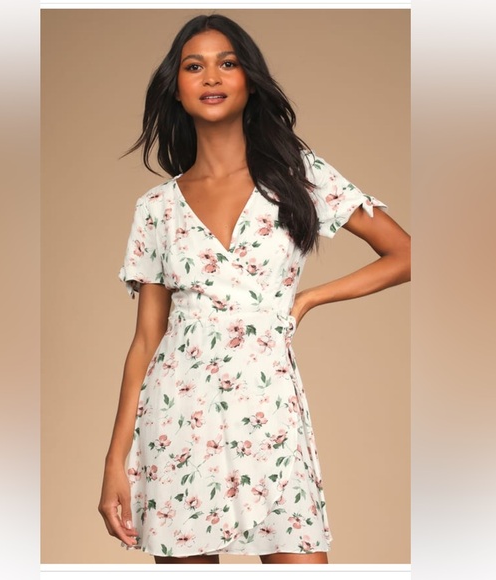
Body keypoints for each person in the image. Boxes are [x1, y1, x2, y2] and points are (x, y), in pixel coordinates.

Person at [98, 14, 410, 565]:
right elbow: (146, 341)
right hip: (177, 420)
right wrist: (114, 463)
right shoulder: (157, 209)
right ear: (176, 87)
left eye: (227, 63)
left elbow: (406, 254)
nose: (211, 76)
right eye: (194, 66)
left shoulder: (298, 176)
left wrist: (308, 298)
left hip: (269, 415)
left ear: (248, 80)